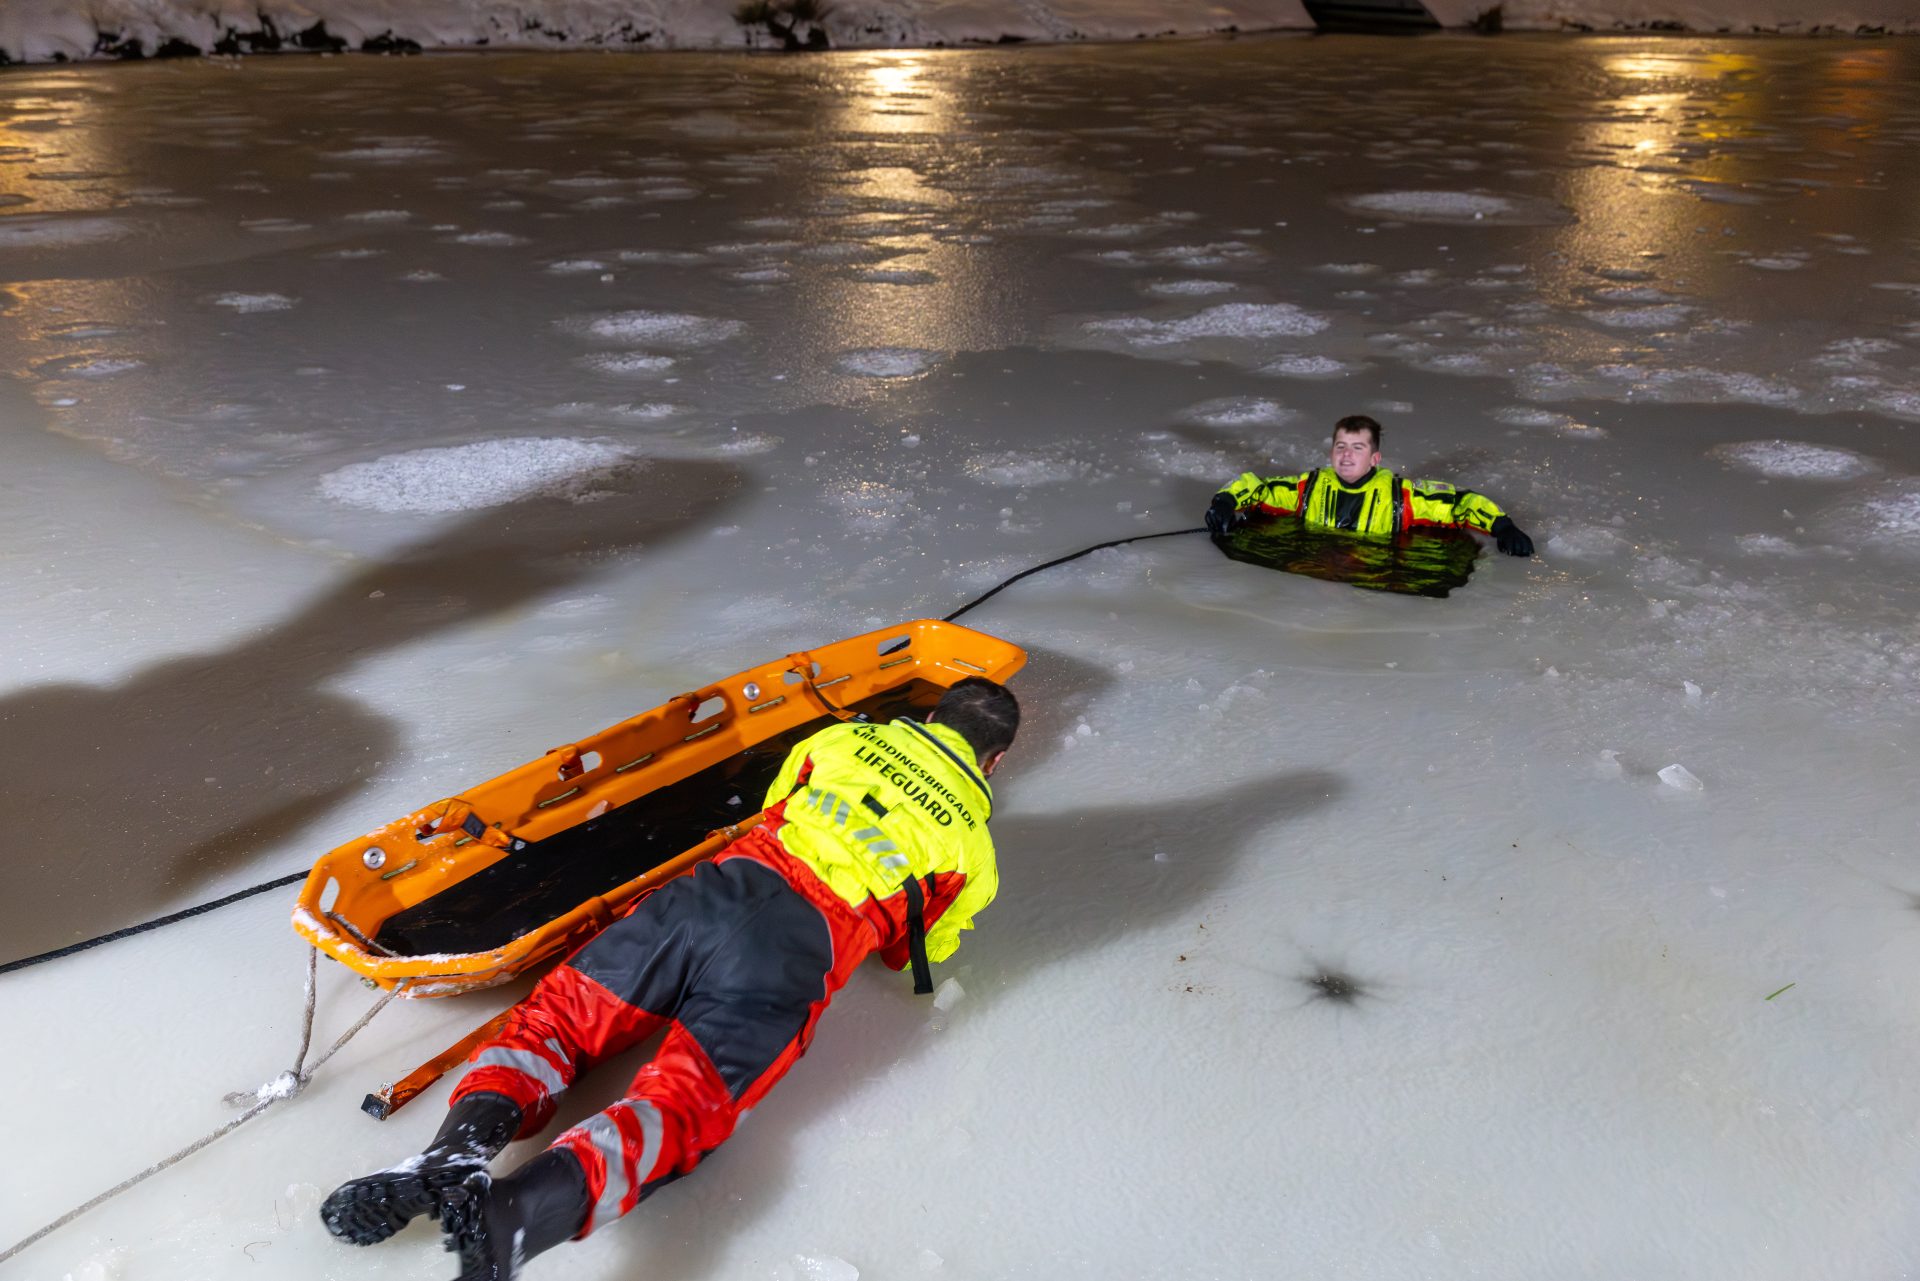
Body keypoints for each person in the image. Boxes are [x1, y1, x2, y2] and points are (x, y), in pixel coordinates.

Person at [321, 677, 1021, 1280]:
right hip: (795, 950)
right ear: (993, 761)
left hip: (715, 893)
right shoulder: (973, 851)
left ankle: (452, 1152)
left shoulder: (844, 742)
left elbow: (775, 805)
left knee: (559, 1019)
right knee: (687, 1103)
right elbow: (912, 954)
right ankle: (518, 1212)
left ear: (931, 718)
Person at [1204, 414, 1535, 556]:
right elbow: (1258, 488)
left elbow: (1459, 503)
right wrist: (1224, 502)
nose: (1346, 456)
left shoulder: (1401, 497)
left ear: (1375, 458)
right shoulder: (1309, 487)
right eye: (1340, 447)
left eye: (1357, 448)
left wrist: (1502, 526)